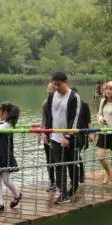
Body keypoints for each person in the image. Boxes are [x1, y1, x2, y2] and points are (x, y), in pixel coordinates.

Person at [43, 72, 81, 204]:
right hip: (55, 137)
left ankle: (74, 187)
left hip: (70, 137)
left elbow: (74, 118)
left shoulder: (74, 97)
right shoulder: (52, 96)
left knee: (71, 164)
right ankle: (63, 193)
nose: (57, 87)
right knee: (59, 165)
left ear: (66, 82)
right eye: (54, 84)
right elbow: (49, 116)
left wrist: (68, 136)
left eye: (59, 84)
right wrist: (47, 133)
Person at [40, 83, 56, 192]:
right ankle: (52, 181)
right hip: (47, 134)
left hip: (57, 134)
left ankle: (58, 182)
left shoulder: (59, 102)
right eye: (49, 88)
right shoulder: (45, 103)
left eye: (52, 89)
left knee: (56, 159)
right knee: (49, 159)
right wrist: (42, 134)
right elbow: (43, 120)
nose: (50, 91)